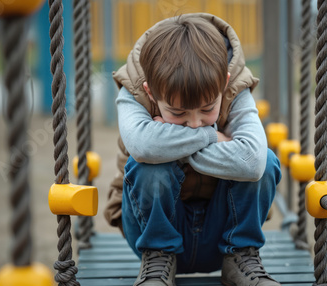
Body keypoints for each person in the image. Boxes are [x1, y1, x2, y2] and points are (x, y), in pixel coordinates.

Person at [104, 13, 282, 286]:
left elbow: (253, 161)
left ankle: (241, 256)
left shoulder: (235, 89)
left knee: (268, 162)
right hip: (150, 232)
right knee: (147, 164)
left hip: (222, 235)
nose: (195, 123)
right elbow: (143, 146)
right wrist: (217, 137)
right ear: (151, 92)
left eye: (208, 109)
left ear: (223, 82)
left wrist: (169, 139)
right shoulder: (133, 93)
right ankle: (158, 257)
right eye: (178, 112)